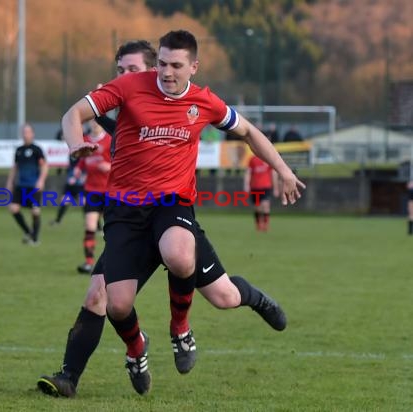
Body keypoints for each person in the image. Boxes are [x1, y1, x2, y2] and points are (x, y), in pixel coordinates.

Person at [44, 31, 304, 396]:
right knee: (112, 304)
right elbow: (74, 113)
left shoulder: (204, 102)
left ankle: (185, 327)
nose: (167, 72)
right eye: (163, 64)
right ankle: (130, 353)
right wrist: (75, 145)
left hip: (171, 208)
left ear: (193, 68)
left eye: (175, 65)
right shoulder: (129, 89)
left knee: (216, 289)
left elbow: (247, 131)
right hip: (126, 214)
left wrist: (284, 169)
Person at [75, 119, 112, 274]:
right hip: (92, 190)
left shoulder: (110, 139)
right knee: (90, 227)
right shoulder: (86, 140)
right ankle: (89, 263)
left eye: (97, 121)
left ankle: (114, 263)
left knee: (112, 230)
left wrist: (110, 167)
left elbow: (123, 161)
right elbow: (83, 160)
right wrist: (78, 169)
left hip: (110, 191)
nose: (94, 124)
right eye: (91, 121)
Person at [6, 123, 49, 245]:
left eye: (28, 132)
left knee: (35, 211)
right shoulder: (19, 150)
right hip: (21, 185)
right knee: (13, 208)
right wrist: (10, 181)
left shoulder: (37, 150)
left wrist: (41, 180)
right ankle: (28, 232)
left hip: (34, 186)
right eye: (24, 132)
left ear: (32, 134)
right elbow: (15, 167)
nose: (26, 134)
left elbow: (45, 166)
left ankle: (35, 239)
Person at [244, 154, 279, 232]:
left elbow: (273, 173)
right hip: (255, 187)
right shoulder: (252, 159)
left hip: (266, 186)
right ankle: (258, 224)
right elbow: (248, 173)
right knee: (257, 207)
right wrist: (246, 185)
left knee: (265, 205)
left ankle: (266, 224)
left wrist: (276, 188)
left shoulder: (268, 158)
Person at [50, 155, 85, 226]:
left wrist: (77, 179)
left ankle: (97, 226)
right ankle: (57, 221)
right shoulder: (71, 156)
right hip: (70, 185)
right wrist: (60, 170)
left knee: (86, 204)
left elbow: (84, 169)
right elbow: (69, 168)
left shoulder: (82, 157)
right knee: (64, 202)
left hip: (79, 185)